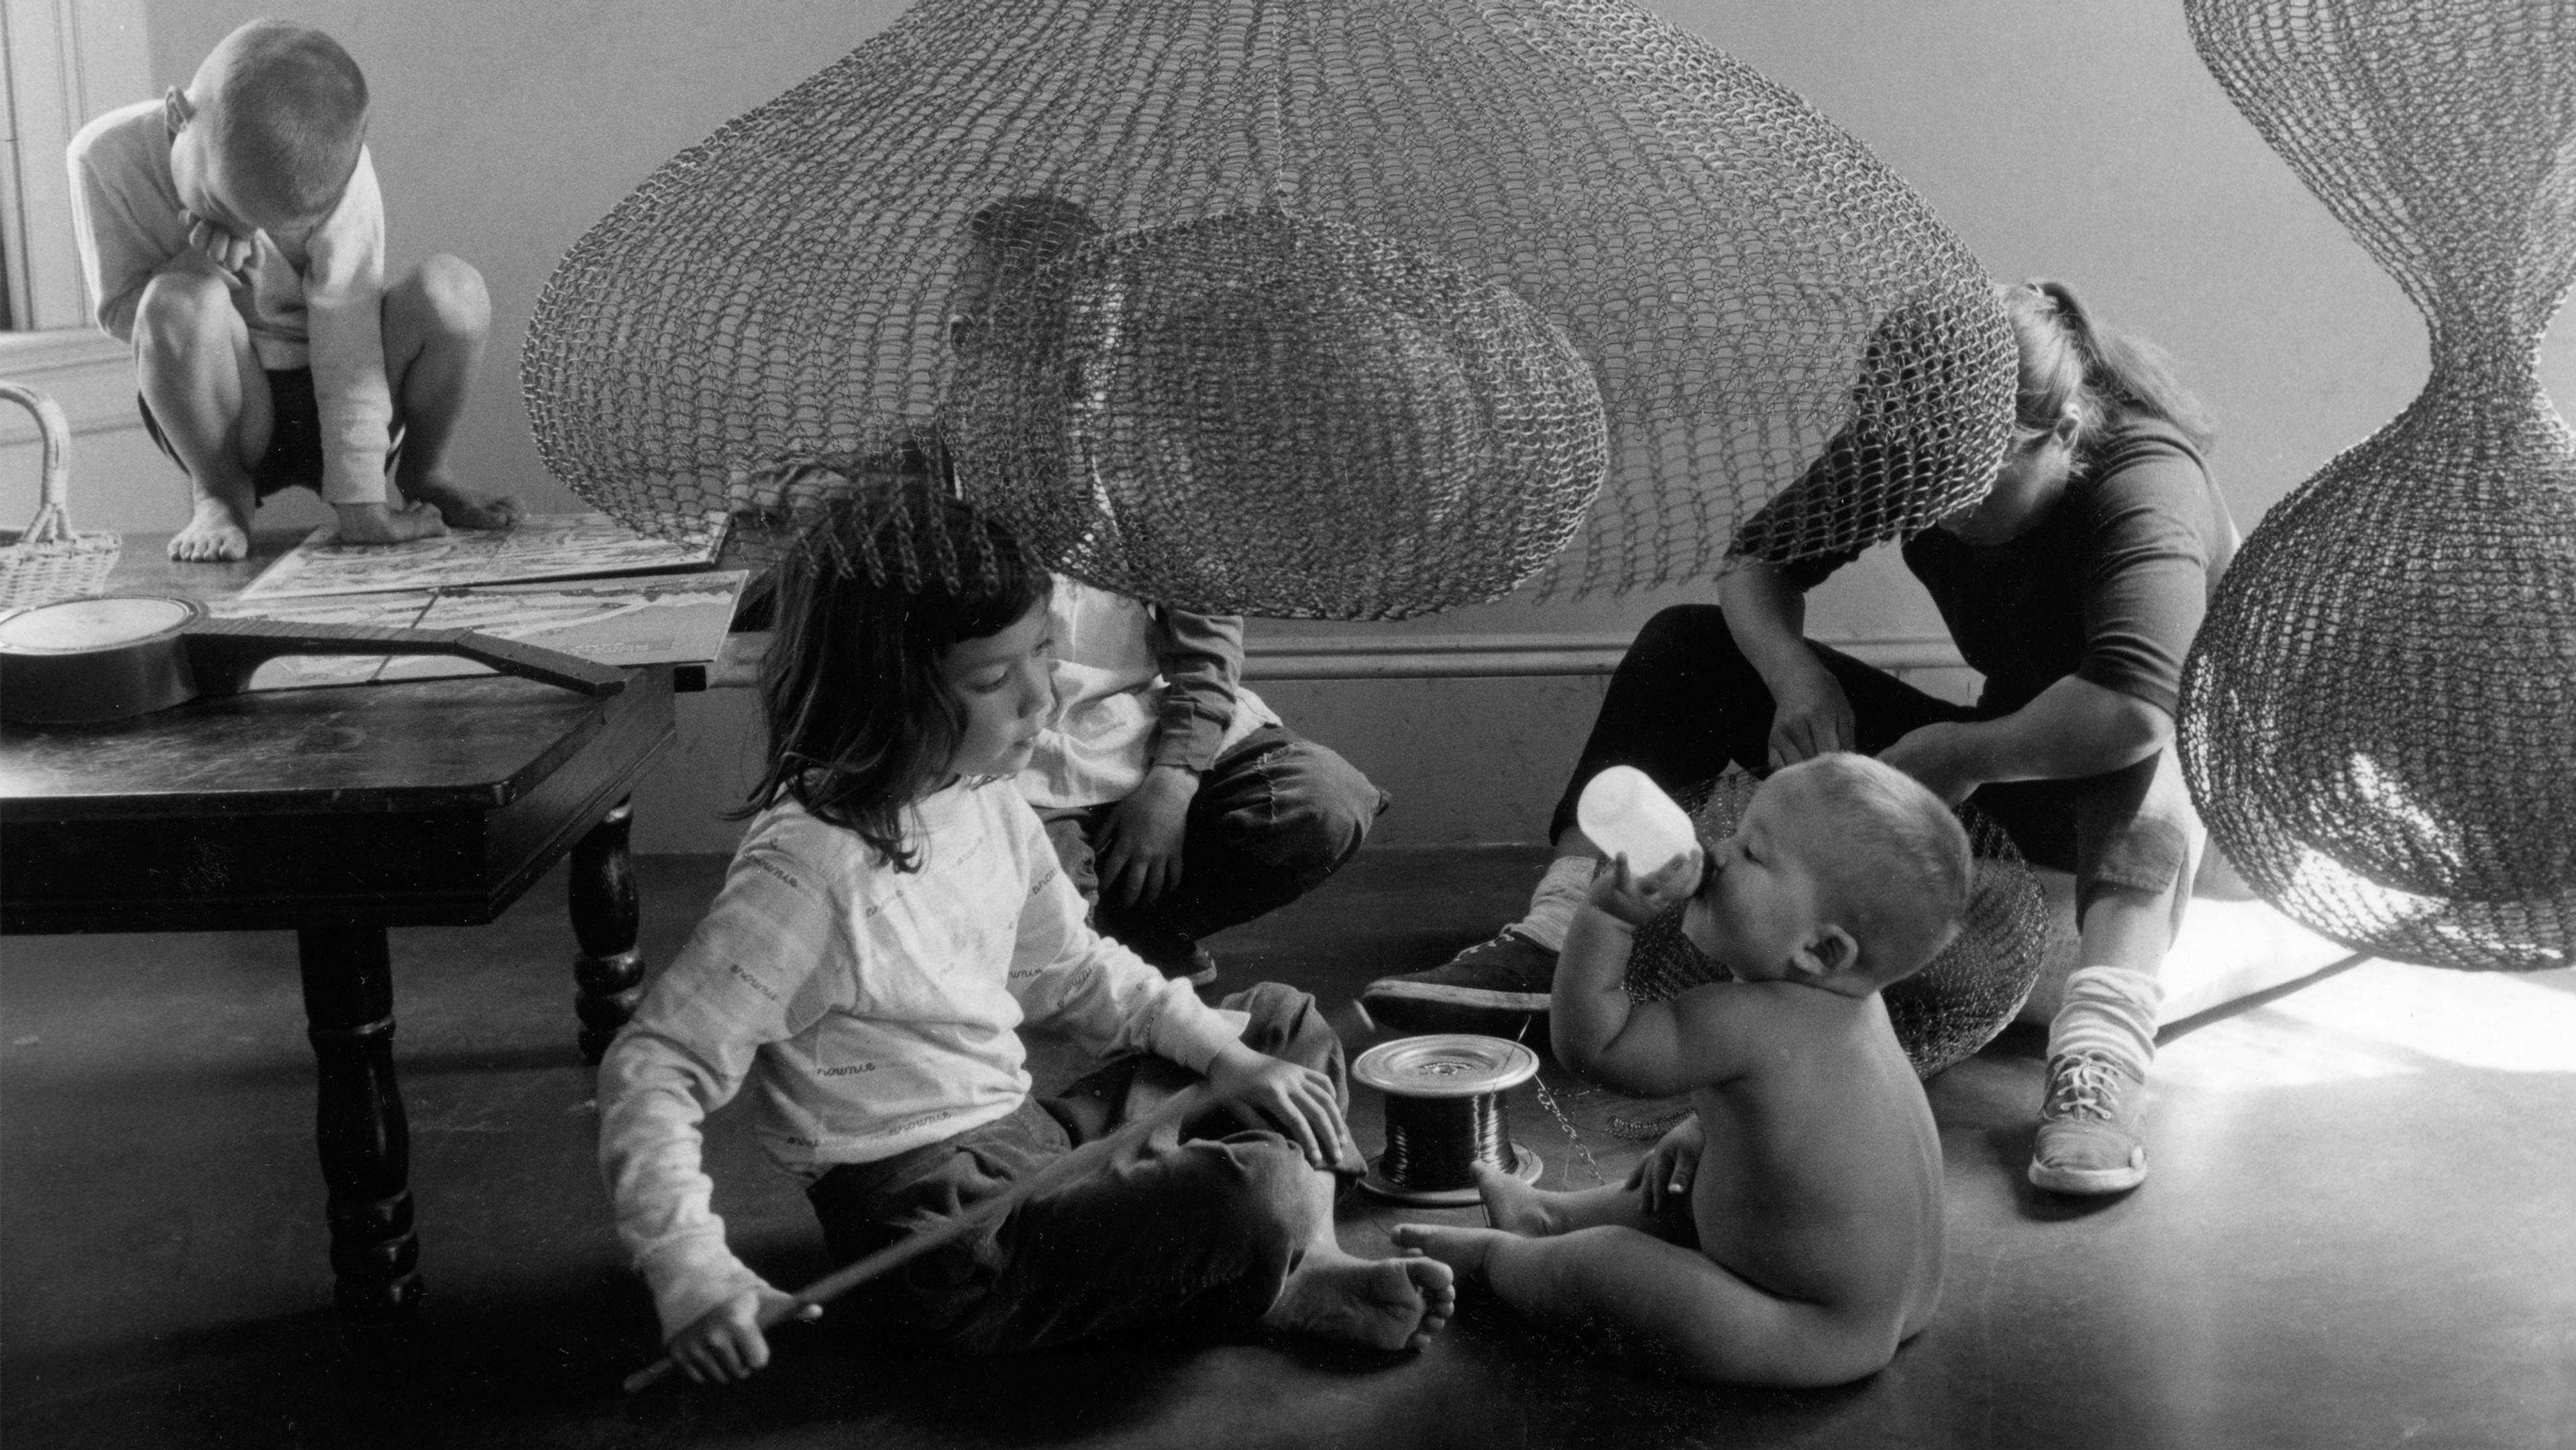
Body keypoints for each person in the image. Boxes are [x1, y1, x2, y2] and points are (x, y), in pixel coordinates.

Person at [1364, 280, 2237, 1196]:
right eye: (1927, 485)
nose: (1943, 509)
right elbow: (1755, 563)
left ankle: (2100, 1056)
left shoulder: (2145, 479)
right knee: (1689, 648)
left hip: (2190, 793)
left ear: (2060, 433)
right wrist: (1795, 677)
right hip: (2028, 750)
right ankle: (1557, 932)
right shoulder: (1914, 447)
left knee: (2152, 739)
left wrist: (1961, 754)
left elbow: (2134, 706)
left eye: (1974, 486)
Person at [597, 484, 1452, 1383]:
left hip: (1033, 1142)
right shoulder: (806, 868)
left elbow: (1073, 968)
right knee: (1255, 1190)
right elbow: (654, 1066)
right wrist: (690, 1267)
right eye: (991, 680)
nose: (1040, 697)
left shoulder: (983, 794)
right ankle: (1271, 1260)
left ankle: (1295, 1264)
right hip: (947, 1237)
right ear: (886, 690)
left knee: (1279, 1026)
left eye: (1042, 652)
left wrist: (1230, 1058)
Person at [735, 194, 1389, 985]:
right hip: (1012, 761)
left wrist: (1175, 778)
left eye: (1098, 356)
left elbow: (1206, 646)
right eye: (1046, 354)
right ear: (971, 345)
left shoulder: (1144, 478)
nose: (1080, 386)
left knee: (1318, 803)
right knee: (1036, 897)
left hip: (1140, 735)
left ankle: (1144, 933)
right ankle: (1080, 963)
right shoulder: (914, 485)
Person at [1393, 753, 1970, 1386]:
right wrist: (1701, 1128)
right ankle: (1549, 1217)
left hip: (1804, 1325)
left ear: (1821, 948)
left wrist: (1606, 918)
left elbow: (1597, 1046)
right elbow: (1808, 1122)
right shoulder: (1857, 1008)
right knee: (1670, 1186)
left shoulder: (1751, 1019)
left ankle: (1497, 1264)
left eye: (1752, 852)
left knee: (1612, 1265)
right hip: (1899, 1298)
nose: (1716, 853)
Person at [66, 19, 521, 563]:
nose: (245, 232)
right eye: (223, 207)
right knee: (173, 299)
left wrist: (363, 504)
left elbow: (349, 334)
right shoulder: (104, 158)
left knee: (454, 292)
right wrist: (200, 262)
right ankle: (219, 493)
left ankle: (426, 473)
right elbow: (124, 315)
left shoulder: (341, 170)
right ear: (176, 116)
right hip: (226, 405)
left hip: (347, 385)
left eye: (271, 225)